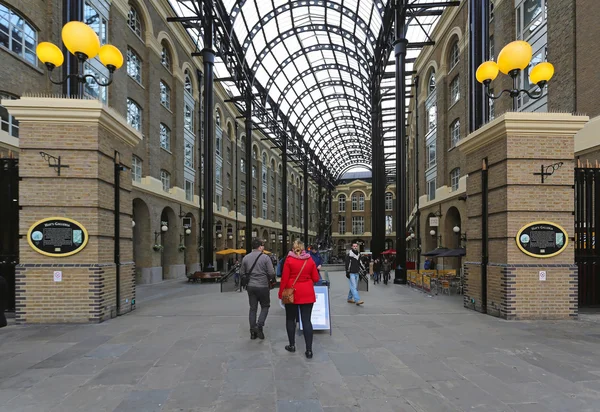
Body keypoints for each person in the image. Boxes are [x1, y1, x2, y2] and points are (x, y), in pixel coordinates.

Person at [278, 240, 320, 359]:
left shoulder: (289, 260)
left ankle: (292, 345)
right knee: (307, 321)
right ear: (303, 249)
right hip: (307, 293)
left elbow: (284, 279)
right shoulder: (310, 260)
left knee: (290, 319)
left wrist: (281, 294)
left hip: (292, 292)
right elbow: (316, 278)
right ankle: (309, 350)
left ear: (293, 248)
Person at [240, 238, 276, 340]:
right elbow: (271, 273)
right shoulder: (265, 258)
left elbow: (242, 273)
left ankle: (252, 331)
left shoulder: (246, 258)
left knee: (253, 309)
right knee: (265, 306)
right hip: (263, 286)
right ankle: (259, 325)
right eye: (263, 245)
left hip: (251, 286)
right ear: (260, 246)